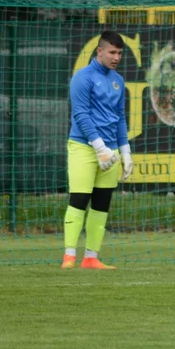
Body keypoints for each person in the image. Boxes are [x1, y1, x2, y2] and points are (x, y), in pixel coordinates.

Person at [61, 30, 133, 269]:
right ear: (99, 51)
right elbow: (80, 114)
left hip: (110, 151)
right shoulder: (82, 78)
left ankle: (90, 257)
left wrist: (125, 151)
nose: (116, 57)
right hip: (84, 147)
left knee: (102, 203)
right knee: (79, 199)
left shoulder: (118, 80)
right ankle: (69, 256)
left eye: (120, 53)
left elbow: (120, 117)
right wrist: (99, 147)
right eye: (112, 52)